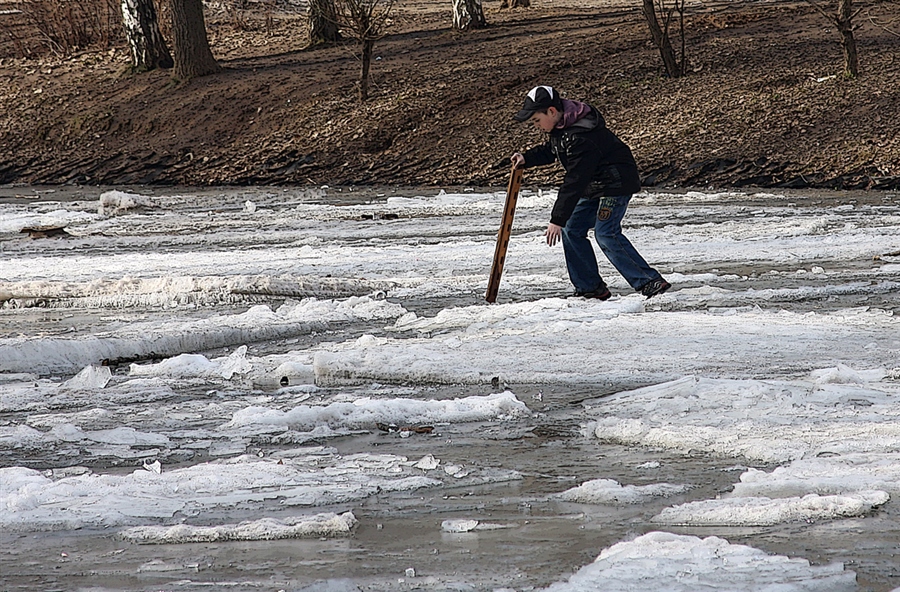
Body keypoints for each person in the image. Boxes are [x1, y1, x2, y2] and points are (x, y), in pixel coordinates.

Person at [510, 85, 670, 300]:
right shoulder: (562, 128)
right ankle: (590, 288)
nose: (536, 126)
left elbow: (575, 180)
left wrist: (557, 218)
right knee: (571, 229)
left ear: (551, 111)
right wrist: (526, 158)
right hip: (594, 184)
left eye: (536, 120)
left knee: (605, 232)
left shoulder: (581, 136)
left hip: (614, 184)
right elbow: (552, 150)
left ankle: (650, 282)